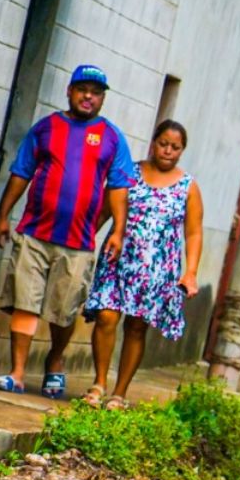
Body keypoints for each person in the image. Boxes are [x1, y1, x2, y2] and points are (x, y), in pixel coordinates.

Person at [0, 64, 136, 398]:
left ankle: (55, 362)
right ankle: (18, 372)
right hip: (34, 233)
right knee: (25, 302)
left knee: (64, 310)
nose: (88, 97)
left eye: (96, 93)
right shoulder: (46, 129)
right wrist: (2, 215)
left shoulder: (111, 137)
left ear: (102, 99)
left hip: (79, 242)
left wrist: (117, 232)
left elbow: (119, 187)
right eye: (82, 89)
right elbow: (21, 172)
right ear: (69, 91)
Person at [81, 121, 203, 408]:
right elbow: (104, 213)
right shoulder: (128, 173)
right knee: (107, 317)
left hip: (157, 270)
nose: (168, 151)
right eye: (163, 144)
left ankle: (119, 393)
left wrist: (191, 273)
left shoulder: (188, 186)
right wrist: (84, 242)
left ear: (182, 151)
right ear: (153, 142)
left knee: (136, 328)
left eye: (175, 147)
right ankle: (99, 383)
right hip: (118, 260)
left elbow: (194, 232)